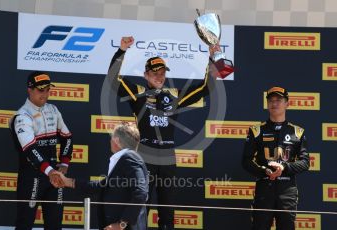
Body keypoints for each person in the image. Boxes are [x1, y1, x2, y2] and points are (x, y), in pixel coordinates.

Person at [106, 36, 219, 230]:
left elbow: (205, 87)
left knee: (167, 208)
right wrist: (121, 51)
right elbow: (113, 78)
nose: (159, 77)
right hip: (144, 155)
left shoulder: (173, 95)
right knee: (141, 205)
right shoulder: (138, 93)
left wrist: (211, 58)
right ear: (146, 74)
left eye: (162, 73)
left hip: (167, 157)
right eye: (155, 73)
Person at [10, 71, 73, 230]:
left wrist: (64, 163)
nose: (45, 93)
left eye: (48, 89)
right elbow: (30, 149)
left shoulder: (53, 110)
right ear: (29, 90)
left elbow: (67, 137)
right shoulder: (22, 116)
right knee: (25, 224)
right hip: (32, 176)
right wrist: (50, 171)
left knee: (55, 224)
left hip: (54, 175)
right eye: (40, 89)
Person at [57, 123, 148, 230]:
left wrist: (122, 224)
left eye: (112, 138)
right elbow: (102, 186)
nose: (110, 141)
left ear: (117, 140)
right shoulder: (124, 159)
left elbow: (141, 192)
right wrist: (68, 182)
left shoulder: (130, 158)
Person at [242, 86, 310, 230]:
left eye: (278, 100)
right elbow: (246, 161)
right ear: (267, 104)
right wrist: (265, 171)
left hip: (287, 191)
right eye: (271, 100)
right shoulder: (256, 130)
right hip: (264, 189)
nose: (274, 103)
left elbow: (305, 162)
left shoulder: (298, 132)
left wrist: (284, 167)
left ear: (287, 103)